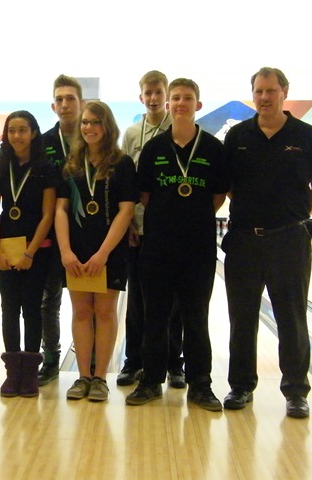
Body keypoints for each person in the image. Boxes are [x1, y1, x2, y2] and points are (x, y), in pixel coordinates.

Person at [221, 67, 312, 418]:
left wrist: (293, 217)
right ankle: (240, 387)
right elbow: (228, 187)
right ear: (252, 94)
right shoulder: (237, 135)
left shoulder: (310, 136)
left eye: (271, 90)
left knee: (292, 318)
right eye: (259, 91)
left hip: (289, 241)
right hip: (243, 239)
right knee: (241, 319)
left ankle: (296, 392)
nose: (264, 97)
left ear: (284, 92)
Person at [126, 79, 228, 410]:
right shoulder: (154, 149)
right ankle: (151, 381)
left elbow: (218, 196)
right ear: (168, 105)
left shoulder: (213, 149)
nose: (181, 103)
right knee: (154, 315)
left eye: (187, 98)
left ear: (198, 104)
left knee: (196, 317)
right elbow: (145, 195)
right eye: (175, 98)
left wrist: (190, 218)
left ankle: (201, 384)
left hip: (197, 249)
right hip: (157, 247)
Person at [55, 101, 138, 402]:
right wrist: (65, 251)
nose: (89, 127)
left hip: (109, 251)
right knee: (80, 311)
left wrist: (103, 253)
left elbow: (126, 211)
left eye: (96, 122)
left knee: (104, 312)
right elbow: (61, 210)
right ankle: (82, 377)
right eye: (85, 122)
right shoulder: (71, 164)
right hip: (76, 251)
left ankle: (100, 377)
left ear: (107, 126)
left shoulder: (122, 164)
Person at [118, 70, 186, 390]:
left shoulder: (179, 130)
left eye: (160, 92)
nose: (155, 98)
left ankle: (174, 363)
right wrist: (130, 222)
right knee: (137, 300)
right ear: (141, 96)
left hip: (169, 229)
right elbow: (126, 184)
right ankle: (134, 361)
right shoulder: (132, 134)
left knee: (171, 301)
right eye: (149, 92)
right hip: (137, 227)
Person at [0, 111, 58, 398]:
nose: (17, 135)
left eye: (23, 130)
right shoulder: (0, 168)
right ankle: (12, 372)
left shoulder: (45, 168)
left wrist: (29, 252)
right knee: (9, 309)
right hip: (6, 249)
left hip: (36, 251)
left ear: (33, 133)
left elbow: (48, 214)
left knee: (32, 308)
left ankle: (29, 371)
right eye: (12, 130)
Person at [38, 74, 85, 385]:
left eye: (71, 99)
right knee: (48, 300)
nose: (65, 104)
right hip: (51, 233)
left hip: (88, 232)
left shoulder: (95, 137)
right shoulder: (41, 143)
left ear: (81, 103)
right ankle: (51, 358)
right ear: (54, 105)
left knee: (88, 301)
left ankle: (90, 363)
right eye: (60, 99)